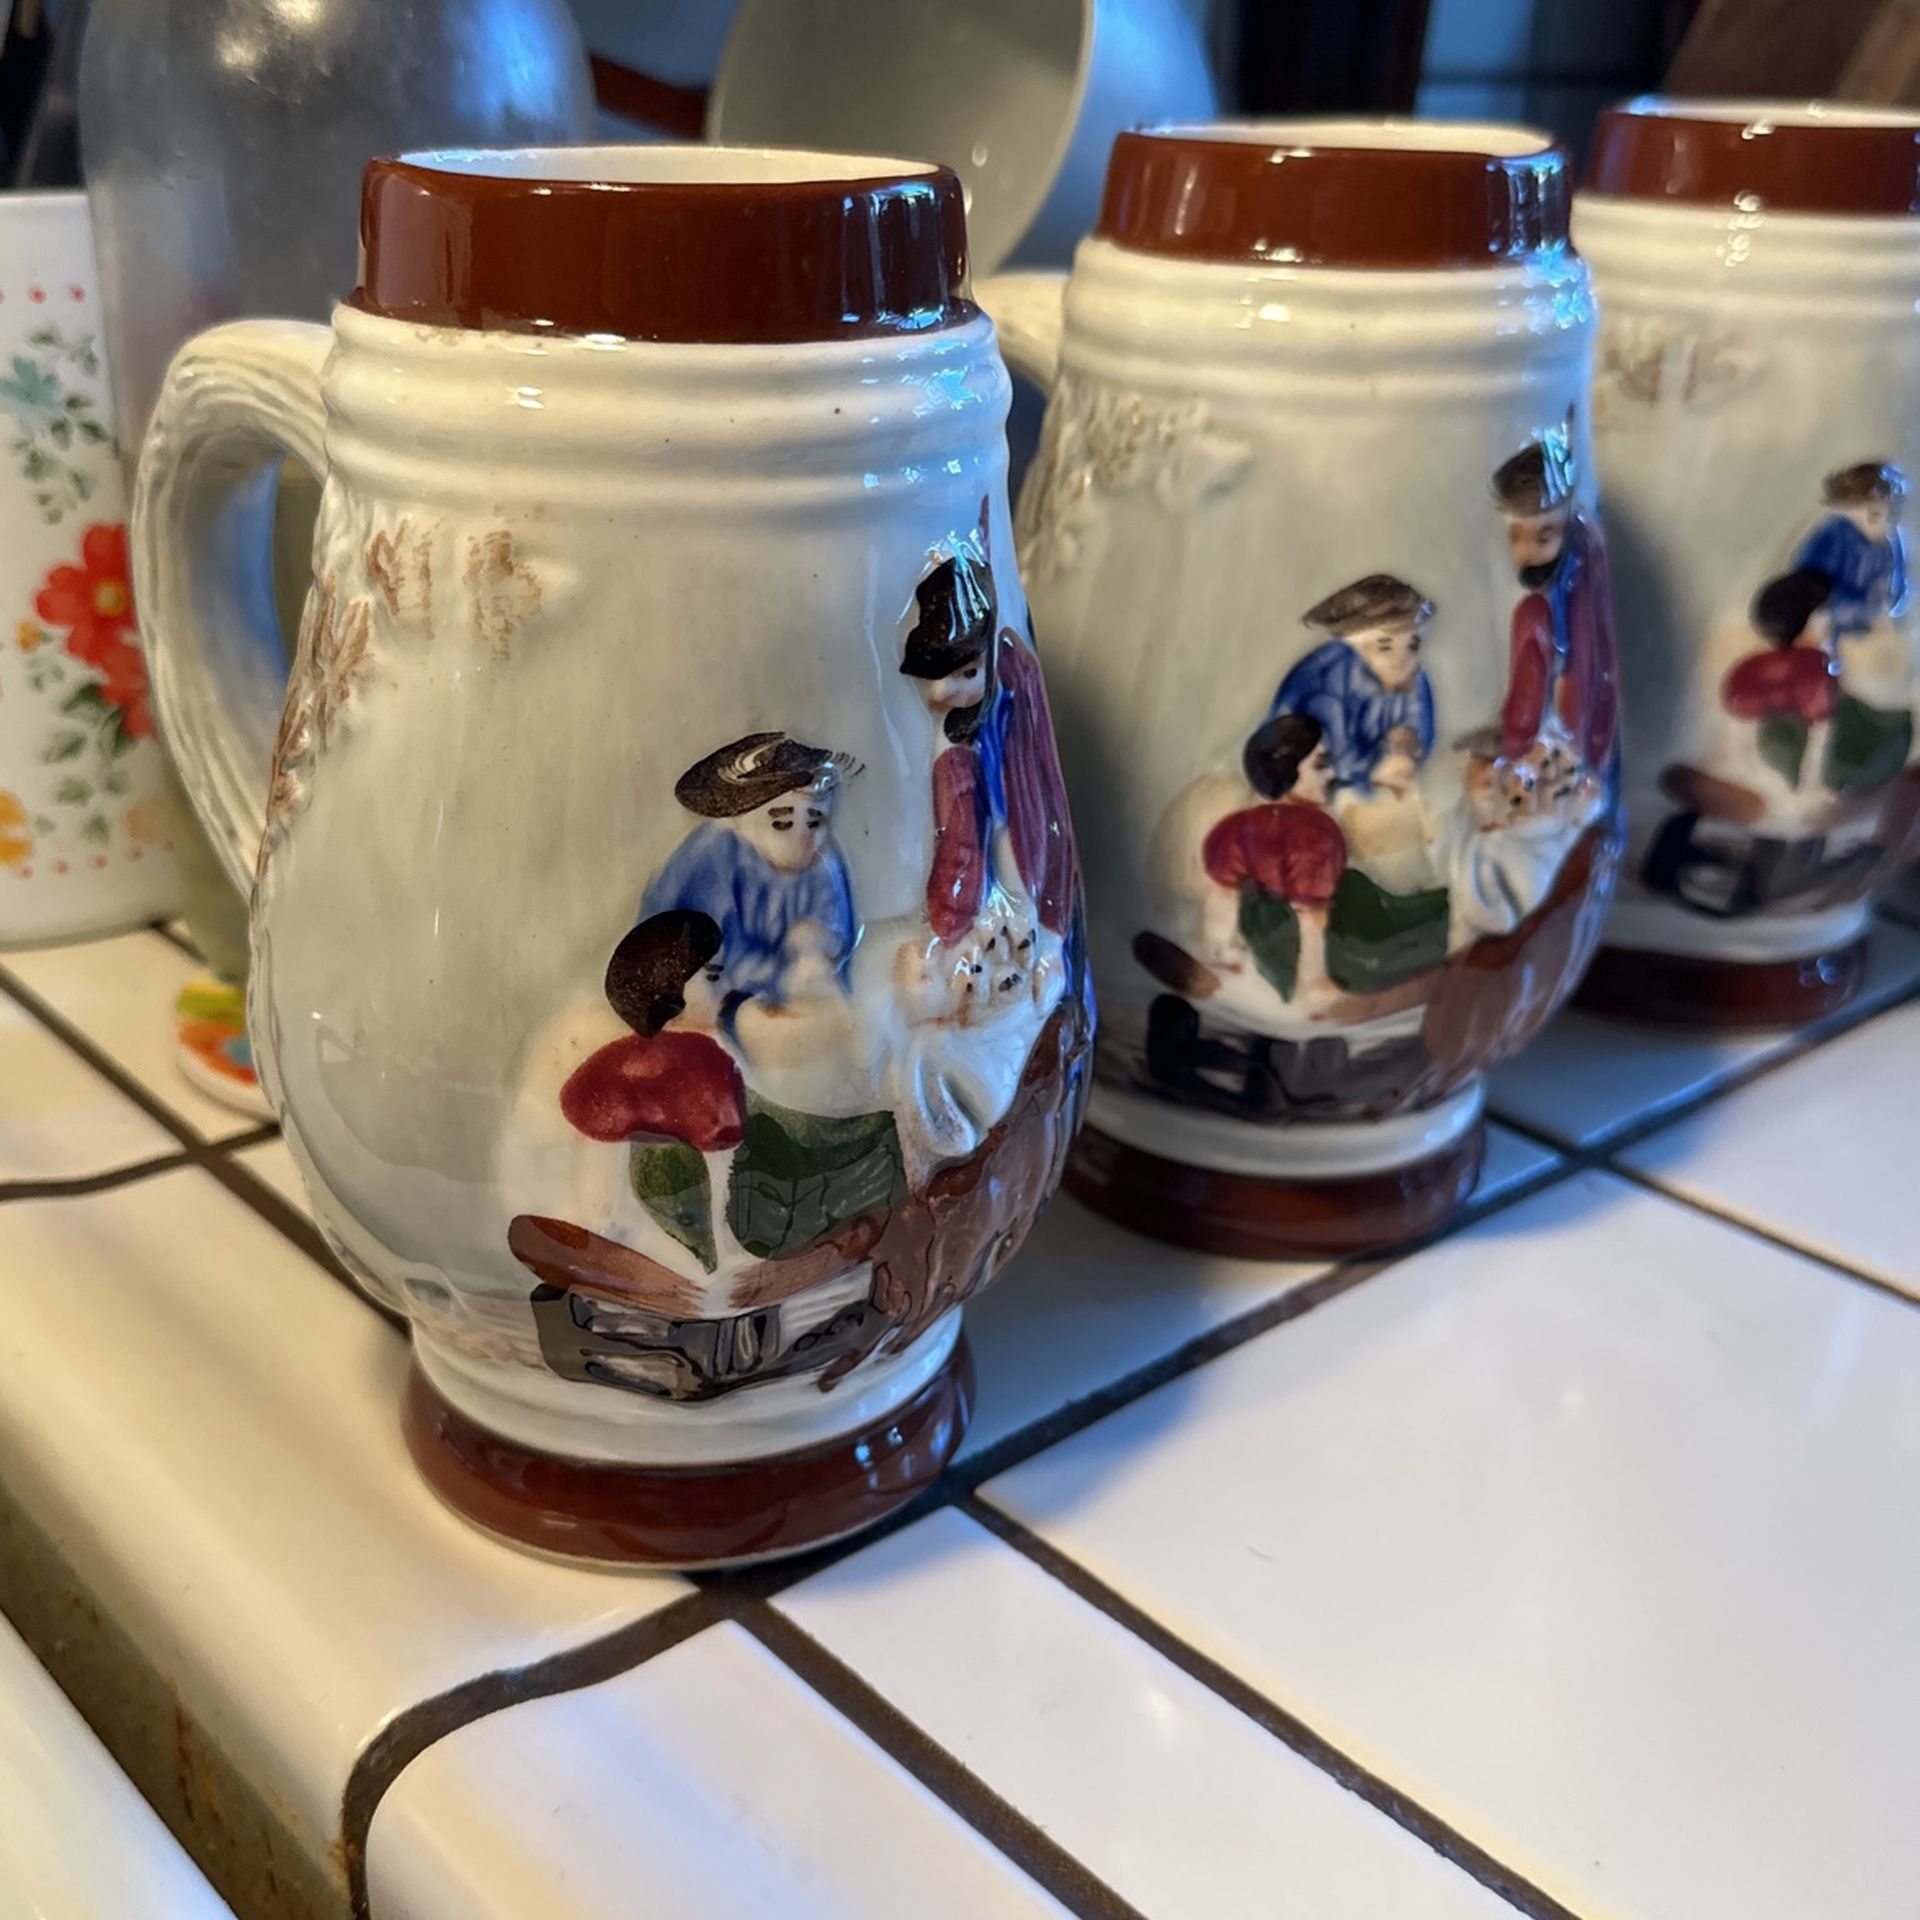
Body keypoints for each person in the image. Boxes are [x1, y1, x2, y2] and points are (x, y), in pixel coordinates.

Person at [898, 500, 1078, 942]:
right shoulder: (951, 755)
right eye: (937, 676)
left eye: (967, 674)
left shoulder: (1007, 701)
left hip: (1010, 823)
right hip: (973, 858)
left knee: (1015, 860)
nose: (945, 692)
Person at [640, 731, 858, 1010]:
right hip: (703, 996)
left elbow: (837, 935)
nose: (803, 837)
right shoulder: (714, 854)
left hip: (785, 996)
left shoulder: (824, 863)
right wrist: (783, 980)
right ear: (747, 819)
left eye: (815, 822)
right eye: (783, 822)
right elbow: (716, 955)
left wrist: (819, 947)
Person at [557, 910, 746, 1153]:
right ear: (667, 986)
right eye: (713, 976)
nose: (731, 986)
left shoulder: (718, 1052)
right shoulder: (634, 1064)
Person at [1198, 711, 1348, 997]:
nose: (1332, 775)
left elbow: (1222, 892)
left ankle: (1217, 951)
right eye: (1320, 765)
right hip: (1284, 934)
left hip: (1255, 925)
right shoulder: (1317, 834)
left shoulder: (1238, 826)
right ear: (1287, 772)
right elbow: (1313, 916)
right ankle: (1311, 980)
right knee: (1317, 918)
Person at [1492, 435, 1618, 773]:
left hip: (1565, 739)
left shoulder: (1575, 587)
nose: (1527, 553)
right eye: (1516, 537)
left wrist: (1516, 744)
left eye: (1543, 537)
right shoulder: (1550, 594)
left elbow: (1531, 694)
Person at [1269, 574, 1437, 797]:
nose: (1402, 660)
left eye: (1412, 646)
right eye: (1384, 647)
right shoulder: (1325, 683)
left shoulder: (1414, 681)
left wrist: (1408, 747)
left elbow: (1422, 735)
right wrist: (1379, 768)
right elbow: (1333, 762)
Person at [1792, 461, 1908, 640]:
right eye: (1875, 511)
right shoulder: (1833, 537)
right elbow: (1809, 593)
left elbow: (1892, 589)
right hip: (1829, 633)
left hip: (1865, 632)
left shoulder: (1887, 545)